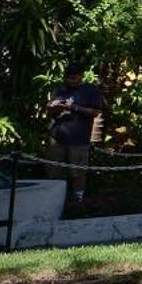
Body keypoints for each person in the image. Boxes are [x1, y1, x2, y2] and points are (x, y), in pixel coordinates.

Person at [46, 62, 103, 203]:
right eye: (69, 77)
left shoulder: (90, 90)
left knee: (78, 172)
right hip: (57, 138)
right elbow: (50, 109)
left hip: (79, 139)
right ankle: (55, 199)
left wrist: (74, 107)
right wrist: (54, 106)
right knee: (54, 171)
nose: (71, 80)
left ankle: (78, 198)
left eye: (74, 77)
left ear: (81, 76)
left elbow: (95, 112)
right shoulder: (59, 89)